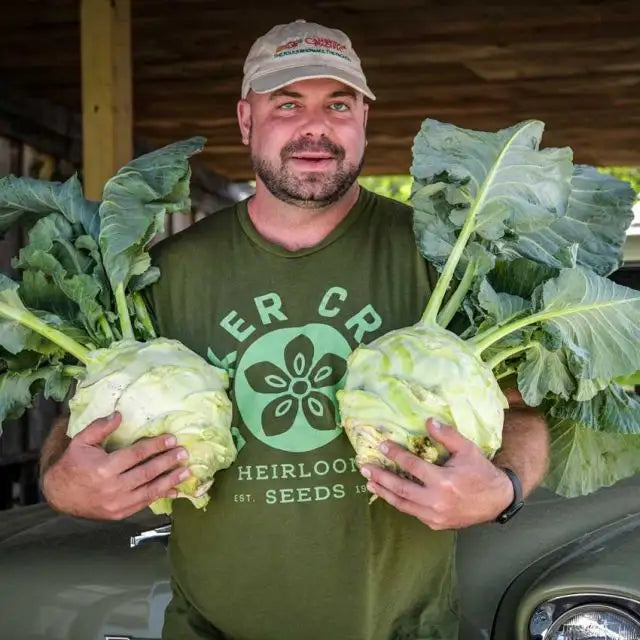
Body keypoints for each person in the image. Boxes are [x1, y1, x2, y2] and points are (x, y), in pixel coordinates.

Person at [39, 19, 549, 640]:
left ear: (363, 118)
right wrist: (62, 482)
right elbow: (81, 420)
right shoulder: (161, 274)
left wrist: (504, 488)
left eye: (338, 104)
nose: (317, 127)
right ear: (246, 120)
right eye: (288, 104)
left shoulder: (447, 260)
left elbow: (521, 409)